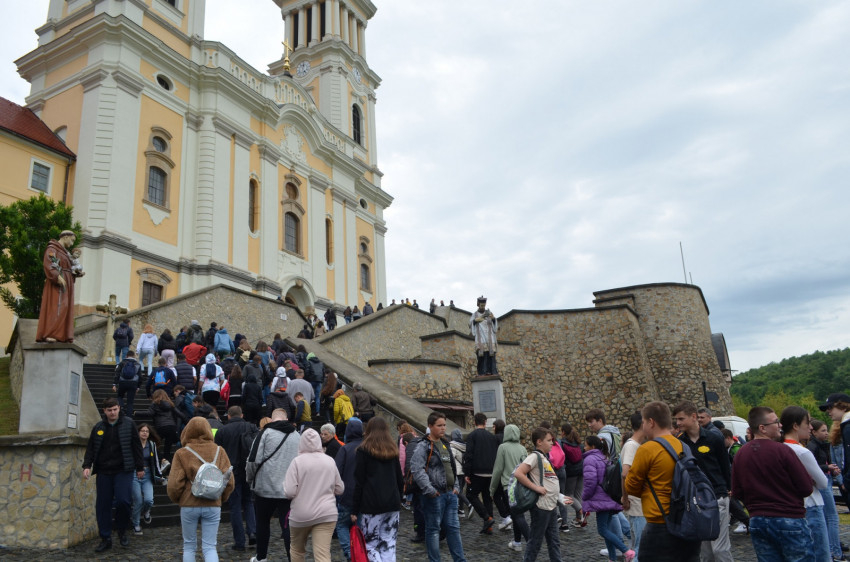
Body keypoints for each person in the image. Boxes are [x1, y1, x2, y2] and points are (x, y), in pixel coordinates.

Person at [730, 406, 814, 561]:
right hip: (789, 517)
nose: (780, 425)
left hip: (758, 520)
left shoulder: (740, 454)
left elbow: (737, 491)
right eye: (776, 422)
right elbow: (806, 488)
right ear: (762, 428)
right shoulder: (782, 451)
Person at [624, 401, 700, 561]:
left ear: (651, 422)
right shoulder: (683, 446)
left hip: (659, 522)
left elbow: (631, 487)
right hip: (687, 521)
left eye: (644, 422)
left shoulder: (647, 449)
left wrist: (647, 487)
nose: (643, 426)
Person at [168, 417, 235, 562]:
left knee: (189, 546)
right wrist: (220, 497)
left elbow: (174, 484)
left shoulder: (182, 453)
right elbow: (229, 481)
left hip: (189, 504)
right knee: (210, 547)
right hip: (213, 504)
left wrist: (179, 499)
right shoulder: (219, 451)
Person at [672, 401, 733, 562]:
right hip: (695, 500)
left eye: (681, 419)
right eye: (676, 419)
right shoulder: (679, 443)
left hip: (717, 496)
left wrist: (728, 488)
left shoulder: (714, 438)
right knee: (706, 552)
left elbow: (725, 465)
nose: (678, 423)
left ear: (693, 417)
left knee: (720, 549)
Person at [82, 397, 145, 552]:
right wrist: (87, 465)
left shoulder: (129, 424)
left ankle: (122, 530)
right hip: (104, 471)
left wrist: (140, 467)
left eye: (115, 409)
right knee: (103, 505)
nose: (112, 413)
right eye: (109, 410)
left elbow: (137, 446)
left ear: (119, 408)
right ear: (104, 411)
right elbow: (91, 448)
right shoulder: (98, 427)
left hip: (123, 470)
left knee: (123, 501)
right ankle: (105, 538)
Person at [410, 412, 467, 562]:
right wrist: (429, 489)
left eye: (444, 425)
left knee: (453, 529)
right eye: (439, 425)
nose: (443, 428)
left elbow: (452, 468)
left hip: (450, 494)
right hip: (434, 496)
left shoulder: (445, 444)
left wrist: (456, 487)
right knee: (433, 530)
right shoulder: (423, 446)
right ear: (430, 426)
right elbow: (416, 469)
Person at [247, 407, 301, 562]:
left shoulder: (265, 433)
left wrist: (250, 480)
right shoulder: (297, 436)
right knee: (288, 526)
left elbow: (253, 460)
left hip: (265, 487)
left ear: (271, 419)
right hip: (288, 489)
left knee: (262, 523)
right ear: (286, 419)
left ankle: (261, 557)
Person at [283, 428, 345, 562]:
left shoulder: (297, 462)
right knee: (322, 555)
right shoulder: (329, 461)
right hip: (326, 513)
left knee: (297, 550)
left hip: (301, 514)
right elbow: (340, 489)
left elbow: (289, 492)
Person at [780, 406, 830, 562]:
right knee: (820, 553)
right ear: (796, 426)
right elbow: (823, 483)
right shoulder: (802, 451)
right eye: (807, 423)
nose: (810, 427)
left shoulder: (779, 448)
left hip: (789, 506)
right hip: (811, 503)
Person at [351, 417, 404, 561]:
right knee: (389, 544)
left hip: (372, 504)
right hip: (392, 503)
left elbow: (359, 482)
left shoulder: (363, 451)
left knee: (370, 545)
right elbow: (399, 478)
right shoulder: (393, 450)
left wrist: (354, 509)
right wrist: (399, 498)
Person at [512, 428, 568, 562]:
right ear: (539, 442)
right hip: (541, 506)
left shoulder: (544, 458)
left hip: (550, 505)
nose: (552, 443)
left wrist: (559, 496)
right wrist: (536, 488)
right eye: (549, 440)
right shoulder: (534, 457)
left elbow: (549, 480)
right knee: (535, 542)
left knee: (554, 541)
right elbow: (519, 473)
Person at [214, 405, 258, 552]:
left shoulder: (222, 431)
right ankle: (252, 531)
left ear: (228, 416)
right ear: (242, 415)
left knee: (235, 507)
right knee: (249, 502)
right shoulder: (251, 427)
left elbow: (217, 453)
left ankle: (239, 542)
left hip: (231, 471)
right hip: (248, 470)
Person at [583, 435, 632, 562]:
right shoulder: (603, 457)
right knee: (607, 530)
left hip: (601, 500)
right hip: (608, 498)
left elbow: (590, 482)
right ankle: (612, 558)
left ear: (592, 446)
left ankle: (626, 551)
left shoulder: (590, 459)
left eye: (586, 445)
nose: (584, 447)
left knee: (602, 530)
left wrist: (585, 497)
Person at [36, 230, 84, 342]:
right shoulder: (52, 249)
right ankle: (51, 333)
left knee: (65, 308)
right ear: (65, 237)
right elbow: (49, 264)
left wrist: (76, 273)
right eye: (72, 240)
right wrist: (56, 276)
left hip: (67, 282)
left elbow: (69, 267)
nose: (72, 244)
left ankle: (62, 335)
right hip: (57, 283)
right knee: (58, 306)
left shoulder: (65, 252)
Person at [490, 423, 531, 552]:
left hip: (509, 487)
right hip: (522, 485)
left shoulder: (502, 448)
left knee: (518, 516)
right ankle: (517, 542)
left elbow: (498, 470)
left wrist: (492, 489)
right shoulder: (522, 449)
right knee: (517, 515)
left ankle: (531, 542)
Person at [808, 418, 843, 560]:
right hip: (822, 481)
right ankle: (835, 551)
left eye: (826, 430)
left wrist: (832, 470)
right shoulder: (812, 447)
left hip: (827, 478)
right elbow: (813, 466)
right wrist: (827, 467)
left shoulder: (822, 445)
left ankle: (833, 548)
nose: (826, 433)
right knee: (832, 517)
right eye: (823, 431)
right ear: (814, 432)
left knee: (829, 517)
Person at [462, 412, 499, 533]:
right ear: (485, 422)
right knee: (487, 498)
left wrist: (467, 473)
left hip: (477, 471)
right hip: (491, 471)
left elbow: (469, 455)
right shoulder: (492, 437)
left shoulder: (472, 436)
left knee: (471, 495)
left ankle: (487, 518)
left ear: (474, 422)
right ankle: (489, 527)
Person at [334, 418, 364, 559]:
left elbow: (336, 472)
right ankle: (359, 552)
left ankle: (350, 554)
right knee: (360, 526)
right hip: (364, 495)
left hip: (347, 494)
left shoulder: (345, 449)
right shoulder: (367, 447)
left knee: (341, 525)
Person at [619, 412, 647, 561]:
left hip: (640, 503)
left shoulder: (637, 445)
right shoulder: (632, 446)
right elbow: (625, 473)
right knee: (640, 548)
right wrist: (625, 497)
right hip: (637, 504)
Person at [131, 423, 164, 535]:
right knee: (138, 501)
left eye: (147, 431)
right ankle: (136, 524)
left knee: (149, 500)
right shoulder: (133, 443)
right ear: (138, 432)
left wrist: (159, 474)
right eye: (142, 431)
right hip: (134, 474)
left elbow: (155, 461)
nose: (145, 433)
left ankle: (146, 511)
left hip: (148, 474)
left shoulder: (151, 444)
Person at [559, 422, 585, 527]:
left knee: (568, 494)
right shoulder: (579, 443)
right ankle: (579, 519)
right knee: (578, 494)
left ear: (563, 432)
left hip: (571, 472)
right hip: (581, 471)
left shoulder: (562, 444)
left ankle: (582, 510)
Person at [149, 389, 184, 461]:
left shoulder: (154, 404)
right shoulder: (170, 404)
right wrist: (189, 421)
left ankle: (160, 459)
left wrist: (136, 413)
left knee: (153, 445)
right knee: (167, 448)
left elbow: (149, 413)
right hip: (171, 427)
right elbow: (180, 415)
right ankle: (166, 461)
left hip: (160, 427)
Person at [469, 296, 498, 375]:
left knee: (491, 355)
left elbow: (495, 326)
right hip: (481, 337)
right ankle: (482, 372)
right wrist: (475, 321)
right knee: (482, 356)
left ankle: (492, 372)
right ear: (478, 305)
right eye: (481, 305)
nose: (483, 307)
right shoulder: (475, 314)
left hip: (490, 337)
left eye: (484, 305)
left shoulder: (489, 313)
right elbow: (470, 324)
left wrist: (493, 319)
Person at [113, 350, 142, 418]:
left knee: (120, 396)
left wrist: (114, 384)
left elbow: (117, 373)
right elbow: (140, 376)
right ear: (133, 356)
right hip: (133, 383)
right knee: (130, 402)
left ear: (126, 356)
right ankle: (129, 417)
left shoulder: (122, 363)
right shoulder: (137, 364)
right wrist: (138, 387)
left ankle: (121, 407)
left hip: (122, 382)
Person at [304, 352, 325, 416]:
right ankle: (317, 412)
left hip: (311, 380)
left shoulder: (309, 362)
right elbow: (323, 373)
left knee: (308, 395)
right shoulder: (321, 363)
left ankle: (308, 411)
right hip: (319, 381)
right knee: (317, 396)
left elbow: (307, 372)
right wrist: (321, 380)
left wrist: (307, 379)